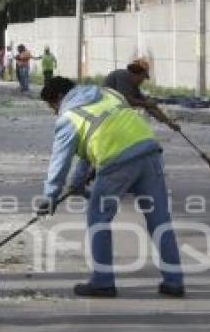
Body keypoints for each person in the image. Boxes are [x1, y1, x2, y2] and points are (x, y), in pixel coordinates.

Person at [37, 76, 184, 299]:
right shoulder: (108, 94)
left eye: (52, 106)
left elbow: (60, 161)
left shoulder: (68, 117)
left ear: (58, 97)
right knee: (159, 220)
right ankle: (174, 281)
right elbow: (92, 141)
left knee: (99, 219)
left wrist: (50, 196)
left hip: (116, 162)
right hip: (149, 151)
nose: (53, 111)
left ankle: (103, 282)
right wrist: (77, 182)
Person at [104, 58, 180, 130]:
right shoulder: (123, 75)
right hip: (105, 112)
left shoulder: (134, 87)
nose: (143, 81)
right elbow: (127, 100)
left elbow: (151, 107)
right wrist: (147, 103)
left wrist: (169, 123)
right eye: (144, 77)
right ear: (140, 73)